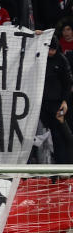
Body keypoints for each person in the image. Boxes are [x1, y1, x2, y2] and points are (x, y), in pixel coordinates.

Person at [43, 36, 73, 164]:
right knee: (41, 137)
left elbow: (68, 83)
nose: (51, 52)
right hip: (41, 105)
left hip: (58, 105)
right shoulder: (40, 58)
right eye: (49, 49)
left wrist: (65, 102)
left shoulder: (61, 60)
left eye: (53, 49)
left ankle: (63, 167)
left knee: (61, 135)